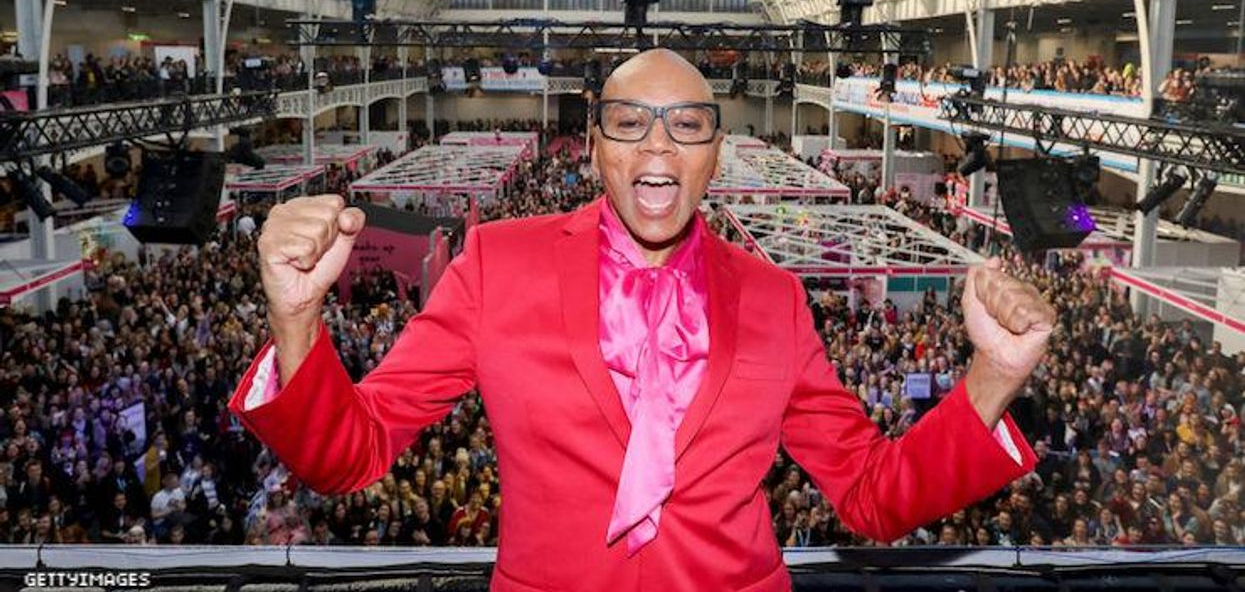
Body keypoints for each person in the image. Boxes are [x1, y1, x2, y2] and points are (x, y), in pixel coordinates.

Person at [230, 49, 1054, 591]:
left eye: (687, 127)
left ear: (715, 156)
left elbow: (874, 498)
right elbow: (351, 454)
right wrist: (296, 317)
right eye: (629, 124)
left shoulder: (773, 299)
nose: (657, 148)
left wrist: (993, 377)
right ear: (592, 148)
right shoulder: (495, 264)